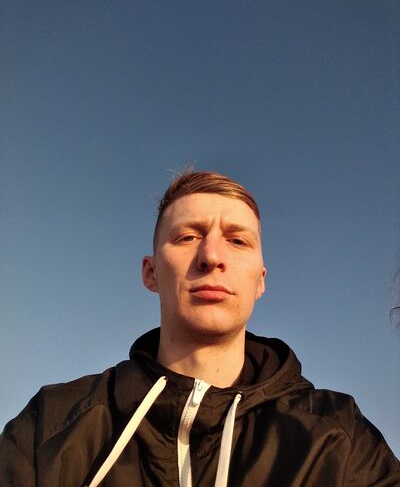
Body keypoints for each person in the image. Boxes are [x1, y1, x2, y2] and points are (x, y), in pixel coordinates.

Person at [1, 170, 399, 487]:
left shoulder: (338, 438)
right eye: (188, 236)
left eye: (238, 241)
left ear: (260, 281)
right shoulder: (50, 423)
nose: (211, 256)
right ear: (150, 273)